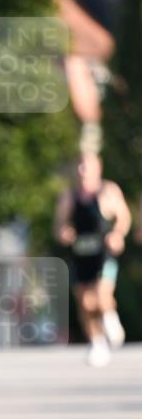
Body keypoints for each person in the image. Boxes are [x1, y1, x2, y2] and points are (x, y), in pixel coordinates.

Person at [55, 153, 131, 366]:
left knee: (101, 293)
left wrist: (117, 234)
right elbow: (59, 225)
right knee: (85, 302)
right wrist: (63, 232)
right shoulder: (69, 196)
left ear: (98, 168)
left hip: (103, 254)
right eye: (80, 166)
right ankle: (97, 343)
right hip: (81, 255)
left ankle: (110, 318)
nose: (83, 171)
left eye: (87, 166)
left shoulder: (108, 191)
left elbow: (124, 217)